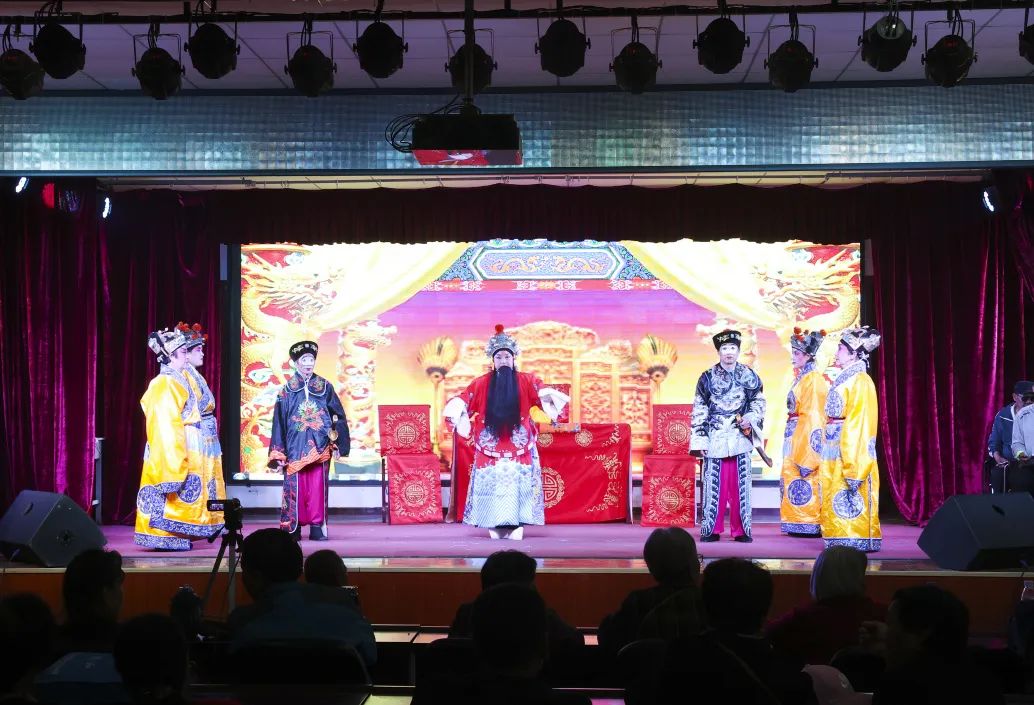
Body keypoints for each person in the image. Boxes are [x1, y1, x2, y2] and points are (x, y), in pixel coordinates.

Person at [443, 325, 569, 540]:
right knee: (490, 484)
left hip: (519, 444)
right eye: (499, 357)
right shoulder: (481, 383)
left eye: (507, 357)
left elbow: (542, 394)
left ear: (513, 359)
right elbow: (466, 399)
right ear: (493, 361)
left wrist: (548, 397)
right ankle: (491, 523)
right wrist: (457, 406)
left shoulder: (527, 380)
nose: (503, 361)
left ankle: (518, 524)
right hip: (490, 444)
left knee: (518, 485)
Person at [227, 528, 376, 668]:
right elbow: (370, 657)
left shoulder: (242, 622)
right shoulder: (344, 609)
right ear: (300, 571)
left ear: (254, 577)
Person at [135, 328, 224, 550]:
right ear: (170, 355)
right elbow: (164, 423)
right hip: (171, 444)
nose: (187, 356)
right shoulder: (163, 383)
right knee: (171, 488)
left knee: (187, 491)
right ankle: (163, 534)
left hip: (185, 441)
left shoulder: (179, 379)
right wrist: (173, 454)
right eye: (184, 352)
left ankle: (178, 531)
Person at [267, 340, 349, 542]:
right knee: (294, 488)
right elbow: (278, 423)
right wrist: (278, 454)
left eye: (311, 359)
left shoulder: (325, 386)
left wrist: (339, 443)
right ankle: (292, 527)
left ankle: (317, 527)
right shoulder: (286, 390)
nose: (308, 363)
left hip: (320, 445)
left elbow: (338, 415)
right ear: (296, 363)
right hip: (294, 448)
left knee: (317, 488)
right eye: (304, 360)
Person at [690, 329, 766, 543]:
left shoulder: (749, 375)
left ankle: (741, 530)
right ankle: (711, 529)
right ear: (719, 352)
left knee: (740, 485)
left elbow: (759, 401)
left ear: (738, 350)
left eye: (733, 348)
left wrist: (751, 417)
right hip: (715, 435)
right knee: (714, 484)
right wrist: (700, 439)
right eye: (725, 348)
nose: (729, 352)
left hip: (740, 435)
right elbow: (699, 408)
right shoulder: (706, 377)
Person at [765, 546, 886, 666]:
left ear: (818, 576)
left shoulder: (803, 617)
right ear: (860, 578)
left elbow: (766, 634)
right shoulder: (881, 614)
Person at [449, 550, 583, 657]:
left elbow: (453, 652)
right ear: (529, 586)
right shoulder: (542, 614)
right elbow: (575, 642)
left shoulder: (467, 612)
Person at [819, 326, 882, 552]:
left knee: (847, 492)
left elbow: (860, 423)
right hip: (835, 446)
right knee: (832, 490)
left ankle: (854, 538)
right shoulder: (846, 378)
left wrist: (853, 463)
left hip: (850, 450)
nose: (837, 353)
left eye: (841, 349)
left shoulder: (861, 380)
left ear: (854, 353)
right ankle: (837, 537)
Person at [598, 527, 703, 656]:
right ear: (692, 565)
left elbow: (608, 639)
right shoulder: (711, 602)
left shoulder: (638, 603)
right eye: (697, 558)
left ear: (651, 568)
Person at [780, 328, 829, 536]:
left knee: (805, 476)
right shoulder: (803, 377)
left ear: (808, 356)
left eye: (797, 353)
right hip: (794, 435)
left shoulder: (814, 380)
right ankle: (796, 520)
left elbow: (814, 416)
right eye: (793, 353)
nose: (793, 357)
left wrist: (808, 453)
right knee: (791, 476)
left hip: (804, 437)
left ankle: (809, 522)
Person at [177, 322, 226, 518]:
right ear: (186, 354)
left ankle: (209, 517)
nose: (203, 354)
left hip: (206, 431)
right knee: (198, 474)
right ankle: (196, 517)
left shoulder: (195, 374)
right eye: (198, 350)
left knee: (209, 474)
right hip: (195, 432)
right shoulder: (184, 374)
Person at [987, 380, 1034, 492]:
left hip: (1029, 461)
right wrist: (998, 458)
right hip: (1010, 461)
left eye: (1032, 398)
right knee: (1000, 475)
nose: (1029, 401)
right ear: (1014, 397)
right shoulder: (1002, 416)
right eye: (1025, 397)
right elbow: (994, 442)